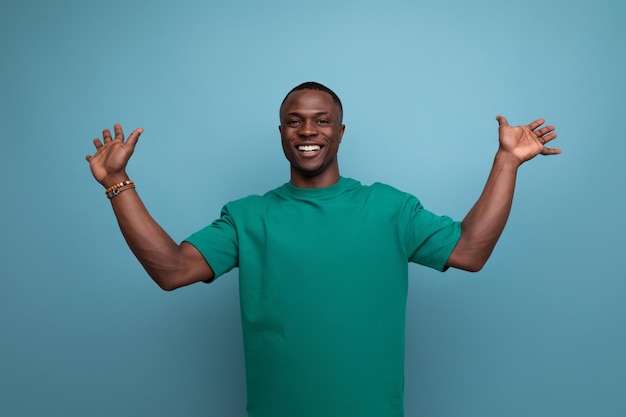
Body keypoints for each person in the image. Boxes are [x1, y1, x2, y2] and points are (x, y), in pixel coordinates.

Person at [85, 82, 560, 417]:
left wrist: (507, 163)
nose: (307, 131)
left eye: (320, 121)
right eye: (294, 122)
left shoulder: (388, 207)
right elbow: (171, 269)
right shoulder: (249, 216)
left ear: (340, 131)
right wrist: (117, 184)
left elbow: (470, 251)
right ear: (282, 134)